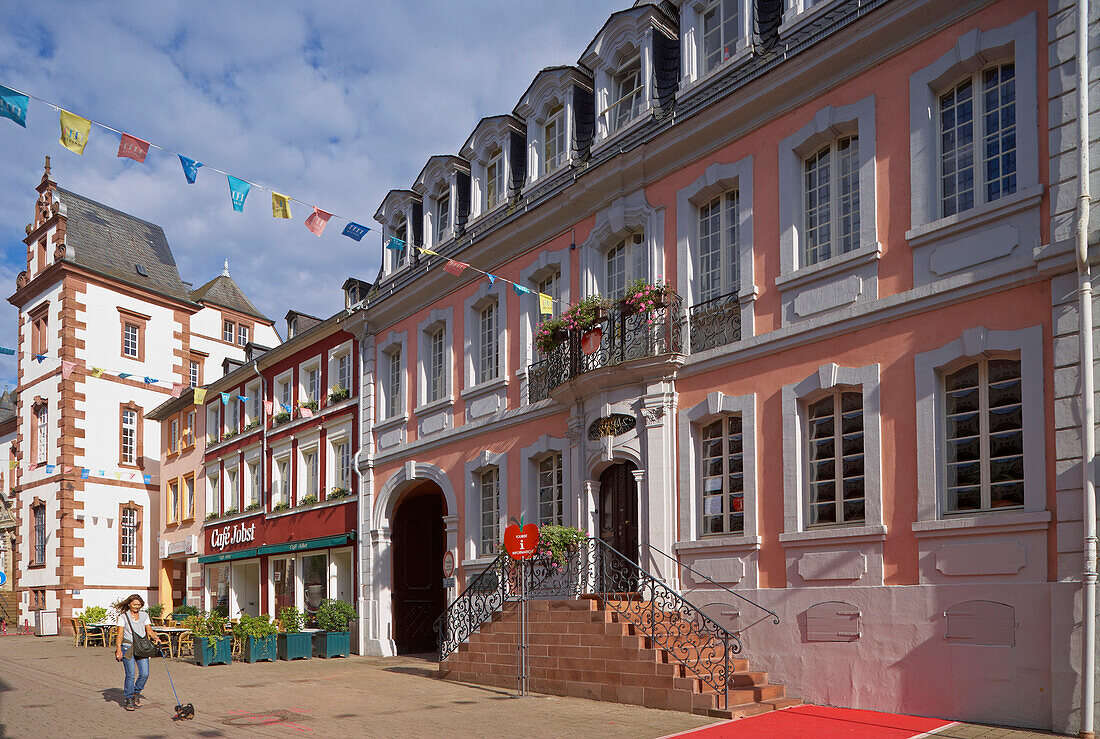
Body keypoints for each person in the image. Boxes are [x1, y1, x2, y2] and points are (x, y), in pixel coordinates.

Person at [114, 594, 158, 711]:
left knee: (145, 674)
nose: (136, 607)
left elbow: (149, 630)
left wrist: (156, 638)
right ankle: (128, 698)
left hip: (142, 648)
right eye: (134, 604)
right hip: (127, 648)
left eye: (138, 605)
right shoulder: (123, 617)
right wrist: (118, 649)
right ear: (129, 604)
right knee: (131, 675)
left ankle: (136, 692)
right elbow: (119, 634)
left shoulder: (144, 616)